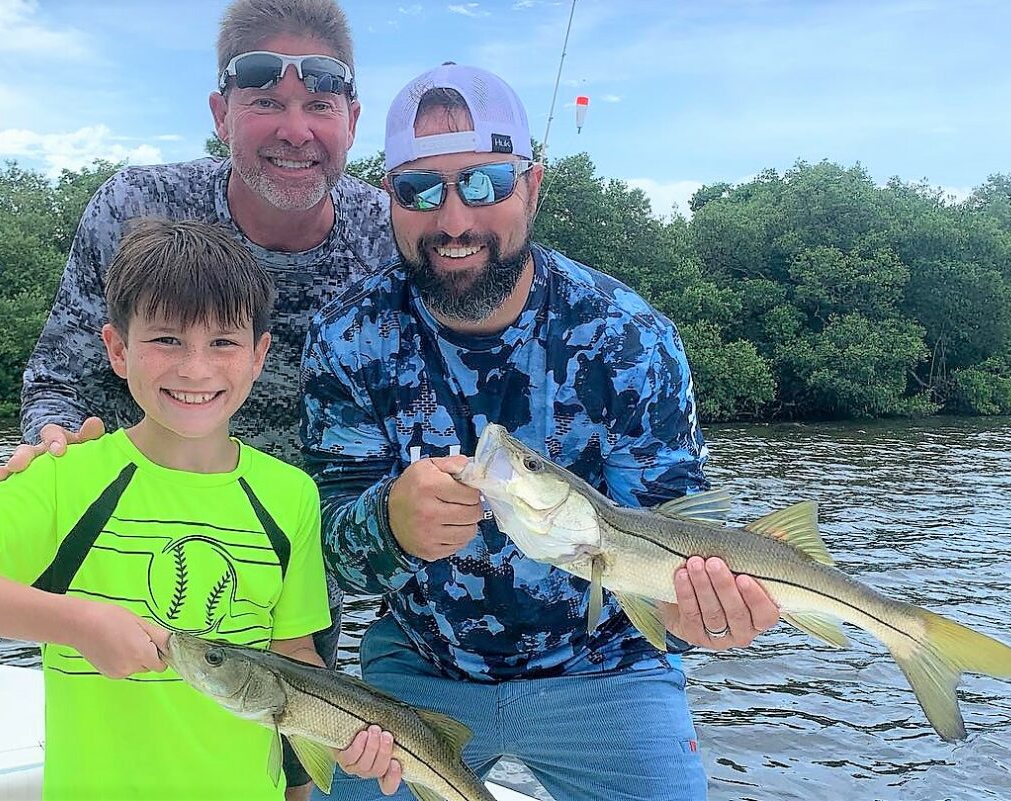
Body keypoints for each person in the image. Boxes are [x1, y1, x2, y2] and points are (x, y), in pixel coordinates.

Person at [299, 64, 782, 801]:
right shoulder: (347, 338)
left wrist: (701, 617)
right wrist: (389, 524)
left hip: (612, 670)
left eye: (487, 183)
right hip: (420, 671)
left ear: (533, 186)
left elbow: (669, 539)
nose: (454, 220)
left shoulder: (630, 339)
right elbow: (329, 553)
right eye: (419, 190)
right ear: (389, 200)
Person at [0, 1, 395, 792]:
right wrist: (52, 440)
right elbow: (59, 372)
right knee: (124, 743)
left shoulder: (389, 234)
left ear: (351, 118)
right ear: (221, 113)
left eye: (320, 104)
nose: (295, 129)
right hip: (130, 545)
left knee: (288, 762)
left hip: (290, 554)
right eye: (265, 102)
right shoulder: (134, 208)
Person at [0, 220, 399, 801]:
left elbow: (292, 655)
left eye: (223, 342)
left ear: (258, 356)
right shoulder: (65, 476)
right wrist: (76, 623)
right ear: (117, 350)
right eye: (166, 339)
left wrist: (348, 733)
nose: (195, 369)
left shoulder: (291, 493)